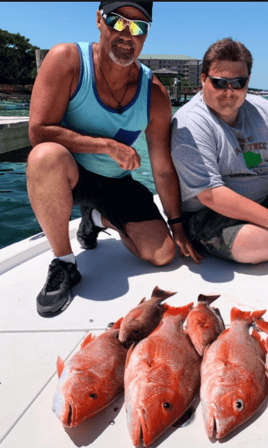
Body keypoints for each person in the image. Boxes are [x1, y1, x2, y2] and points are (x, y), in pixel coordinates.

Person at [27, 1, 200, 318]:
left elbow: (161, 168)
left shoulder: (154, 93)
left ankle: (95, 219)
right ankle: (64, 262)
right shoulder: (67, 60)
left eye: (138, 27)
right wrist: (106, 146)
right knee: (44, 156)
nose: (126, 33)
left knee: (163, 255)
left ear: (146, 34)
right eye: (116, 21)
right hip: (71, 175)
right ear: (98, 20)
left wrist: (177, 225)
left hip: (117, 183)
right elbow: (38, 132)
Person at [171, 37, 268, 265]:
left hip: (261, 200)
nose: (230, 91)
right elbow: (210, 194)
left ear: (248, 81)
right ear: (204, 79)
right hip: (207, 214)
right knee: (258, 244)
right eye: (220, 83)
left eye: (239, 82)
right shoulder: (190, 123)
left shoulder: (262, 110)